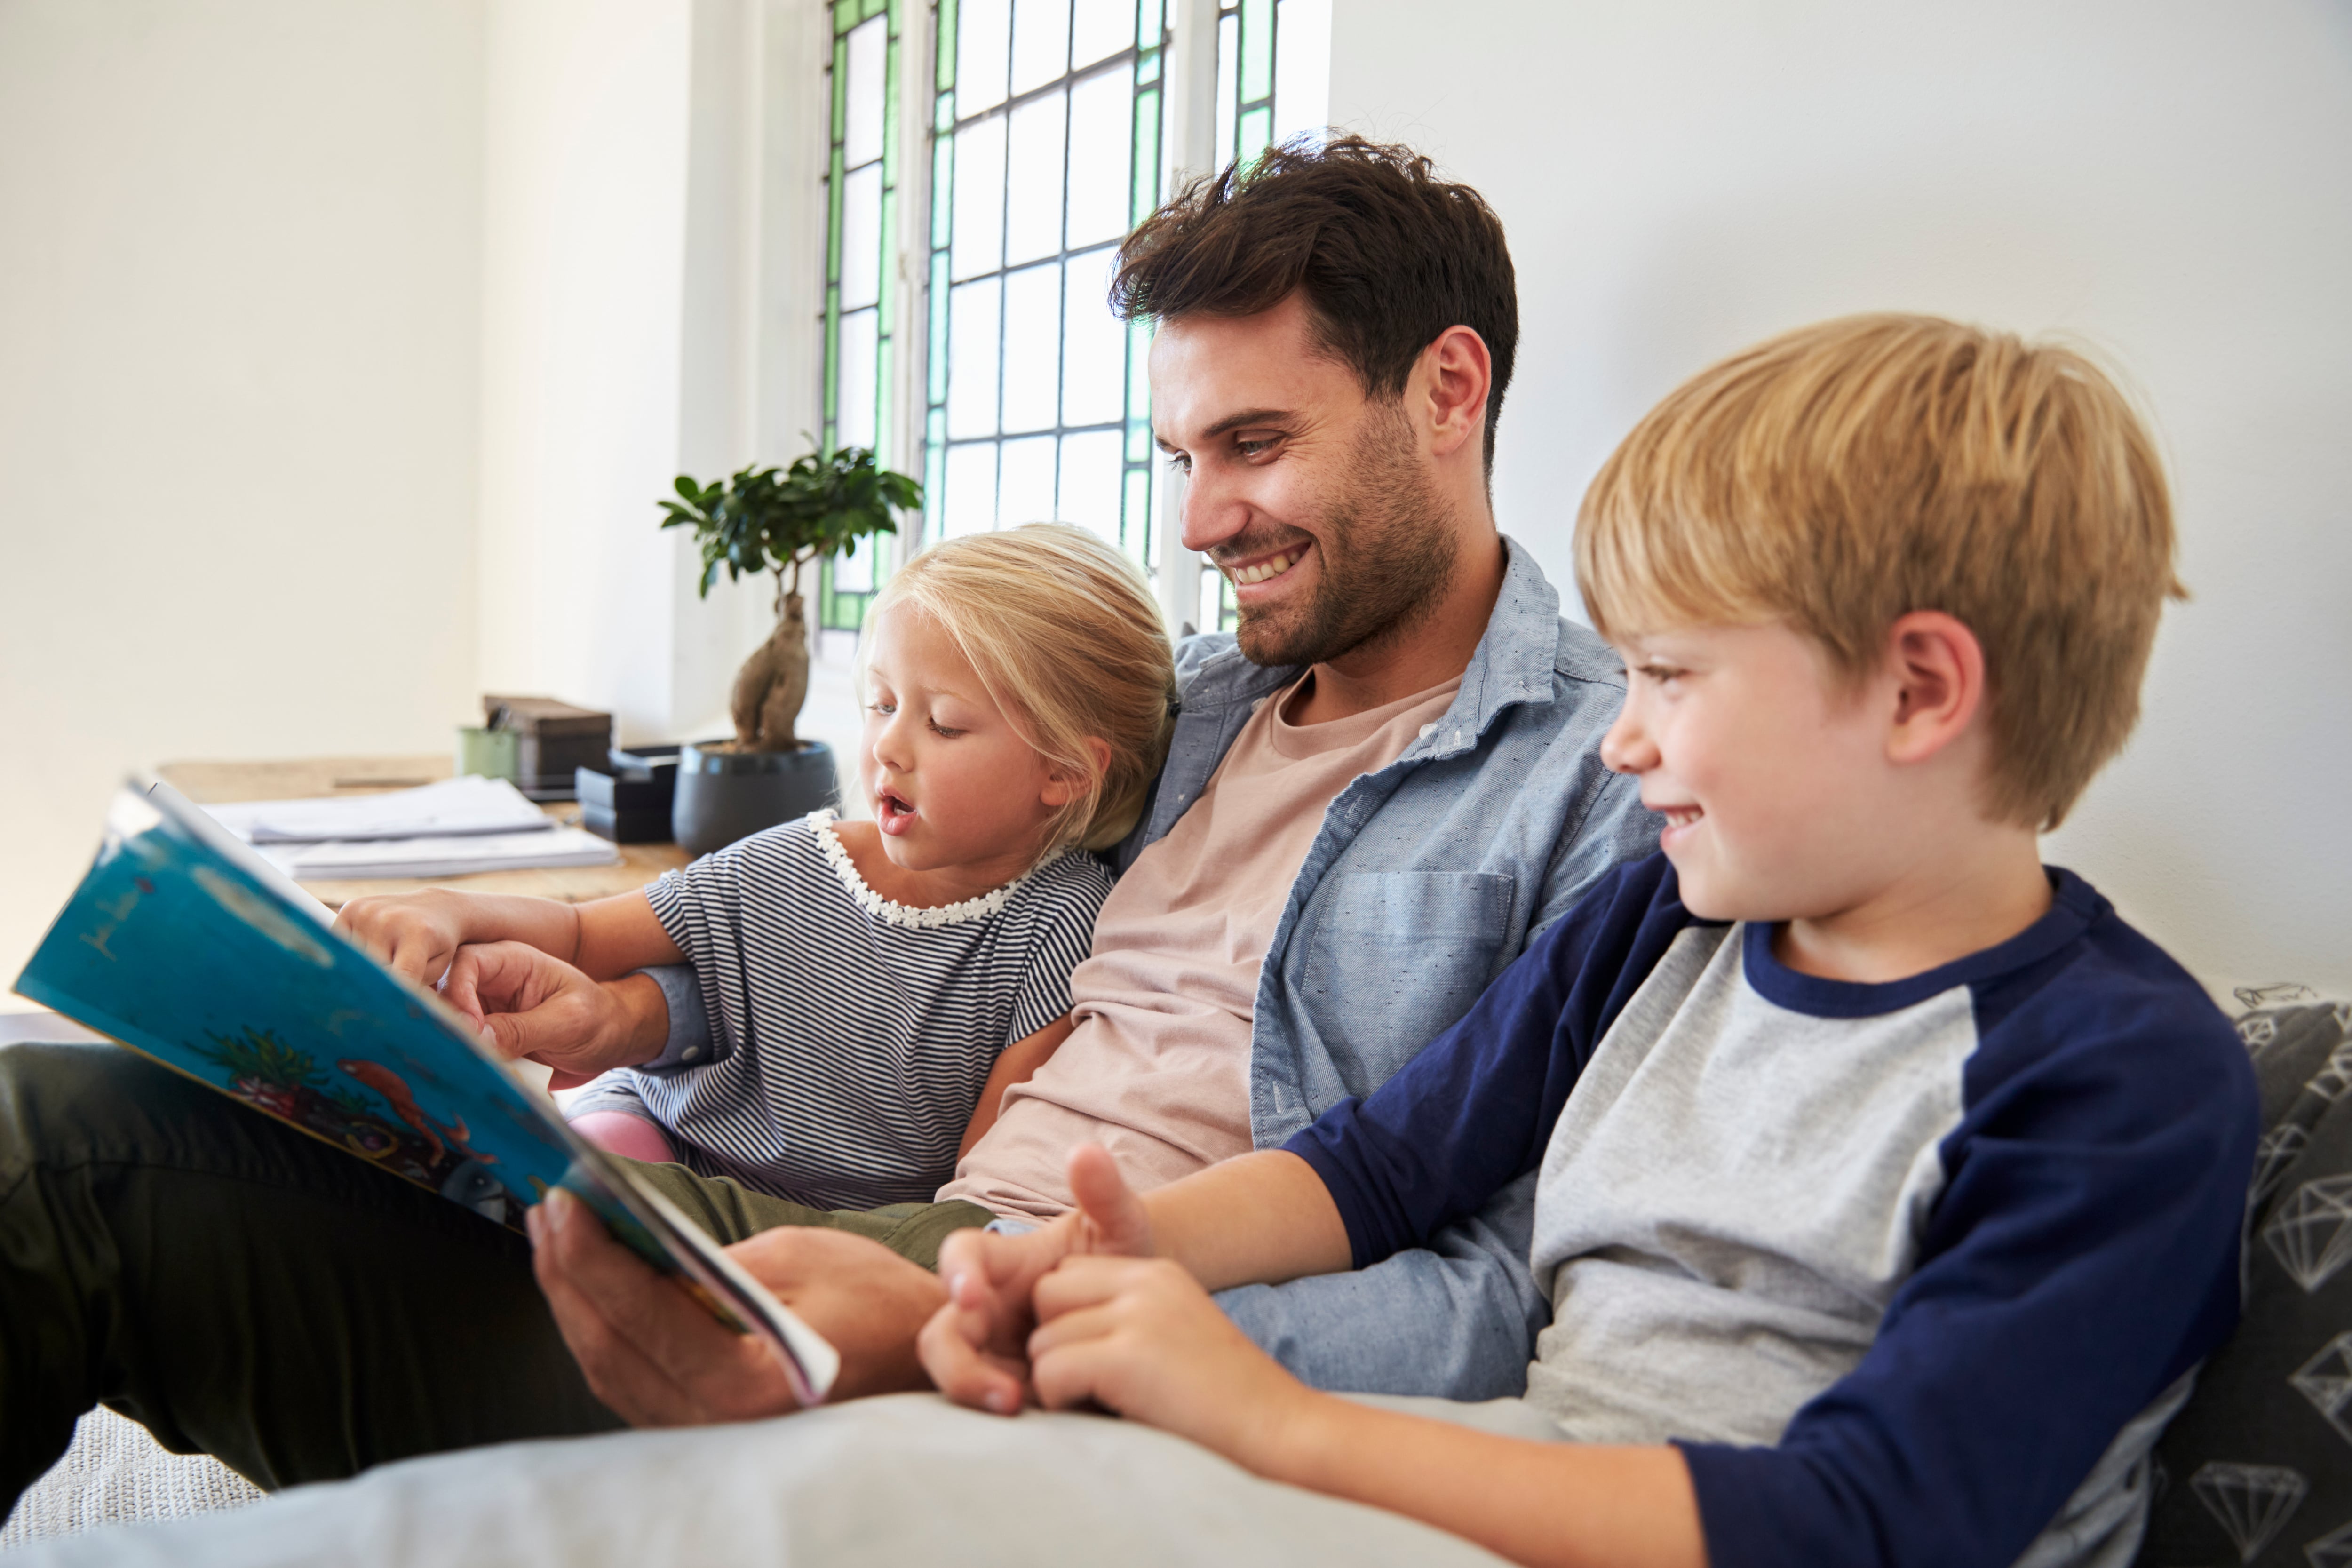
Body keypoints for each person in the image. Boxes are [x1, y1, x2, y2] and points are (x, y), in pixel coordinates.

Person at [0, 135, 1654, 1506]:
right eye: (1182, 452)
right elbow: (894, 912)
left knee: (64, 1171)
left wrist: (1029, 1318)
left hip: (1011, 1313)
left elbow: (1503, 1293)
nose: (1205, 517)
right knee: (78, 1114)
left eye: (1257, 444)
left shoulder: (1608, 779)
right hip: (881, 1240)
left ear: (1450, 392)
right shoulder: (1185, 704)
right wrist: (619, 997)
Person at [911, 314, 2261, 1568]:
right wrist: (1131, 1246)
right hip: (1515, 1488)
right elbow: (1380, 1166)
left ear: (1917, 691)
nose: (1622, 738)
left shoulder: (2119, 1075)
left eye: (1669, 675)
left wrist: (1274, 1421)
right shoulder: (1662, 923)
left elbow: (1867, 1518)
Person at [339, 525, 1170, 1231]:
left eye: (943, 722)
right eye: (881, 704)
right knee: (561, 1200)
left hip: (833, 1232)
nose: (889, 744)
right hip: (663, 1138)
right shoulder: (802, 861)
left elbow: (978, 1187)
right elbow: (589, 934)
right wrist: (448, 909)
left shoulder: (1063, 926)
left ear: (1063, 772)